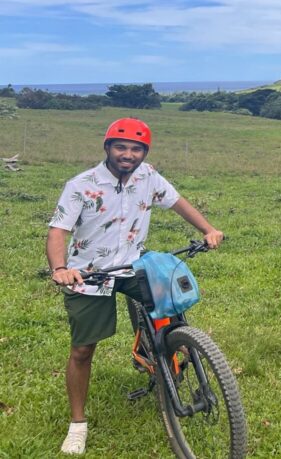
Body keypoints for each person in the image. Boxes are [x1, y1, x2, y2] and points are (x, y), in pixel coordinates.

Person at [47, 117, 224, 456]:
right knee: (83, 350)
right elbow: (58, 231)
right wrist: (61, 268)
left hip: (132, 265)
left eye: (136, 148)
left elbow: (178, 202)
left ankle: (163, 355)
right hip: (88, 273)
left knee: (171, 305)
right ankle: (77, 424)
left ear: (144, 152)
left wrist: (209, 229)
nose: (128, 154)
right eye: (121, 147)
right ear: (108, 148)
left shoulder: (149, 177)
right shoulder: (81, 185)